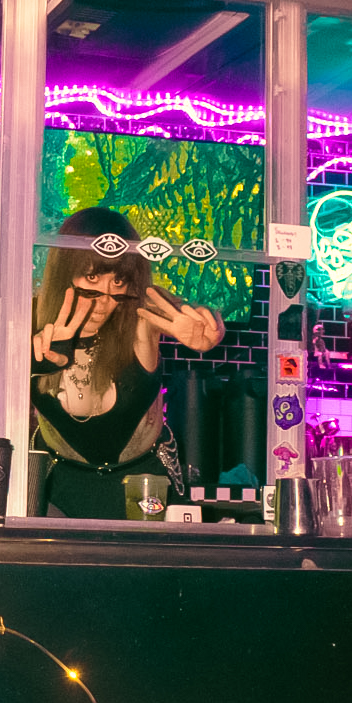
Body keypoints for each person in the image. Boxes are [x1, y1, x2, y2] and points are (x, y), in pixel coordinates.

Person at [32, 207, 224, 518]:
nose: (104, 299)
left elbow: (176, 309)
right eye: (92, 276)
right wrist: (33, 357)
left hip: (143, 489)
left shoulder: (139, 313)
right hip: (57, 489)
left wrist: (206, 326)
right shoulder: (34, 315)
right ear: (65, 271)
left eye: (118, 281)